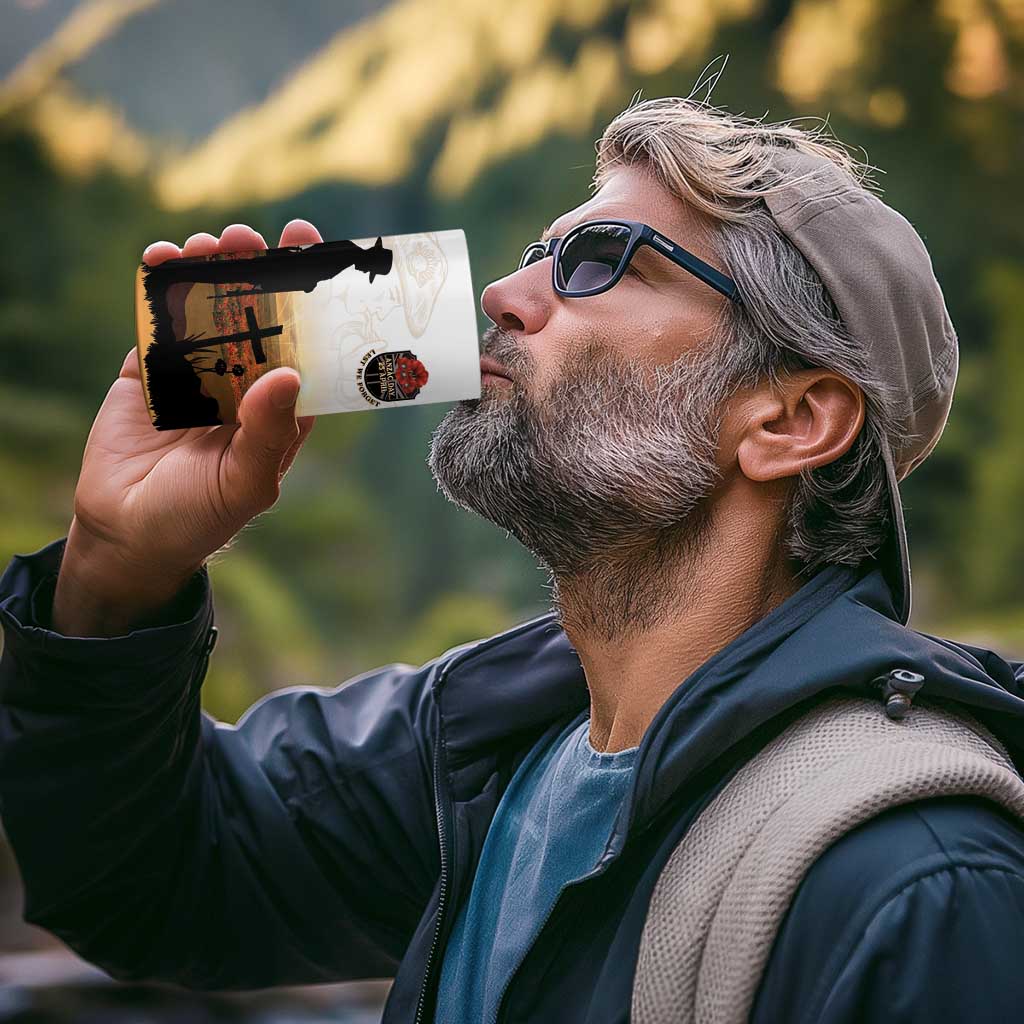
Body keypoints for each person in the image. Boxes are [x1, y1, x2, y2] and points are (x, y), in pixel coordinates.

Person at [2, 95, 1024, 1024]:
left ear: (791, 419)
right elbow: (149, 879)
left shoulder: (918, 884)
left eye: (599, 261)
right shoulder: (480, 748)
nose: (502, 291)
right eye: (540, 252)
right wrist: (116, 570)